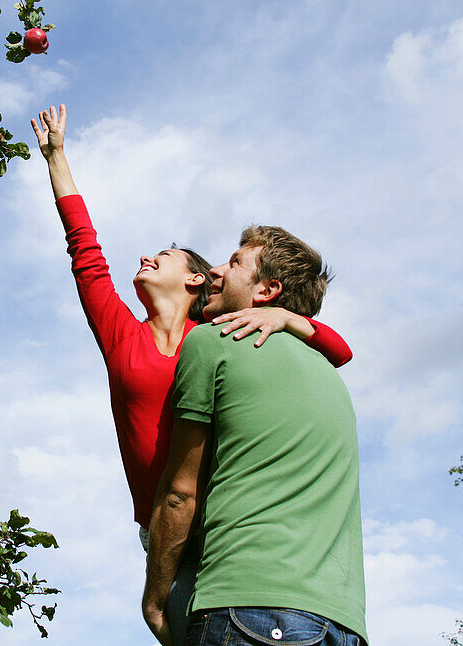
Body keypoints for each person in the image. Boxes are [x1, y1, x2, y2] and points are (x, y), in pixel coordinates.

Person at [30, 105, 355, 645]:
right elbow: (84, 249)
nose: (147, 257)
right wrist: (58, 157)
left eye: (164, 254)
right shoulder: (122, 336)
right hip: (166, 530)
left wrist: (287, 317)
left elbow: (340, 353)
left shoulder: (218, 335)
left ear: (196, 279)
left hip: (226, 523)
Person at [142, 227, 367, 646]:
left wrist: (155, 599)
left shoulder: (213, 341)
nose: (215, 270)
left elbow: (180, 493)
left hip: (246, 607)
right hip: (343, 622)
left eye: (235, 262)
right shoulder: (327, 370)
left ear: (268, 289)